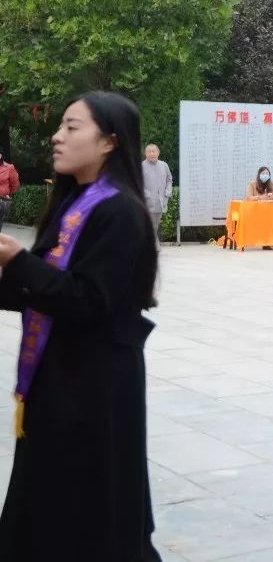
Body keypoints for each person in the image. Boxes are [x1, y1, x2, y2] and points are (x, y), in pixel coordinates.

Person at [0, 91, 161, 560]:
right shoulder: (72, 201)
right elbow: (44, 289)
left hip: (96, 384)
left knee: (91, 510)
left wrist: (17, 261)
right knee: (47, 504)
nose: (57, 136)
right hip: (58, 374)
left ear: (109, 141)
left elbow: (88, 299)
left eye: (72, 127)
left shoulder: (121, 211)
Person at [141, 143, 171, 238]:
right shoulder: (141, 166)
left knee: (155, 225)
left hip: (161, 202)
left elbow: (169, 179)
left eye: (153, 151)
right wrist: (146, 194)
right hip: (147, 202)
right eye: (149, 152)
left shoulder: (164, 165)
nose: (151, 153)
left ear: (158, 153)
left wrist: (168, 191)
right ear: (145, 154)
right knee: (150, 225)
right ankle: (153, 245)